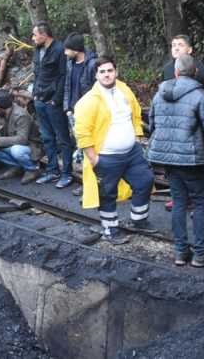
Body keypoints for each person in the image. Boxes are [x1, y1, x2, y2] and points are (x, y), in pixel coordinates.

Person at [148, 54, 204, 267]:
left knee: (179, 203)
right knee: (200, 204)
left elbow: (152, 125)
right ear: (196, 72)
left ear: (177, 72)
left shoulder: (159, 94)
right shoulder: (200, 95)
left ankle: (180, 252)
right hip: (193, 160)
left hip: (168, 160)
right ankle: (201, 254)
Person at [73, 56, 156, 245]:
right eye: (102, 72)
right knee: (107, 193)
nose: (107, 75)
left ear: (116, 72)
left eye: (110, 70)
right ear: (96, 75)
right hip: (106, 156)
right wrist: (94, 159)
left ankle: (138, 220)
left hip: (132, 153)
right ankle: (110, 229)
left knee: (145, 180)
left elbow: (135, 113)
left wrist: (136, 136)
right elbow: (82, 132)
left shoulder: (124, 89)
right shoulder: (88, 101)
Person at [31, 21, 74, 188]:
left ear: (44, 35)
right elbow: (37, 73)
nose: (33, 38)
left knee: (62, 138)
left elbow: (64, 77)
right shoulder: (37, 50)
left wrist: (56, 99)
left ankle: (67, 173)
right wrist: (34, 94)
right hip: (39, 99)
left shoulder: (59, 50)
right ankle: (52, 170)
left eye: (35, 34)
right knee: (47, 137)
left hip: (53, 101)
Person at [0, 89, 42, 184]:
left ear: (3, 106)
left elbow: (22, 139)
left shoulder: (21, 115)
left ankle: (33, 169)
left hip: (31, 145)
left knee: (16, 151)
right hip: (11, 143)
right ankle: (18, 166)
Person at [62, 33, 97, 196]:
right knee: (81, 148)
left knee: (91, 147)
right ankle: (87, 182)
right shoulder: (70, 63)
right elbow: (68, 86)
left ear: (76, 49)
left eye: (67, 49)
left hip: (89, 113)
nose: (65, 52)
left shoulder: (92, 64)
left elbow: (95, 90)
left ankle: (95, 183)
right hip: (74, 111)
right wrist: (67, 107)